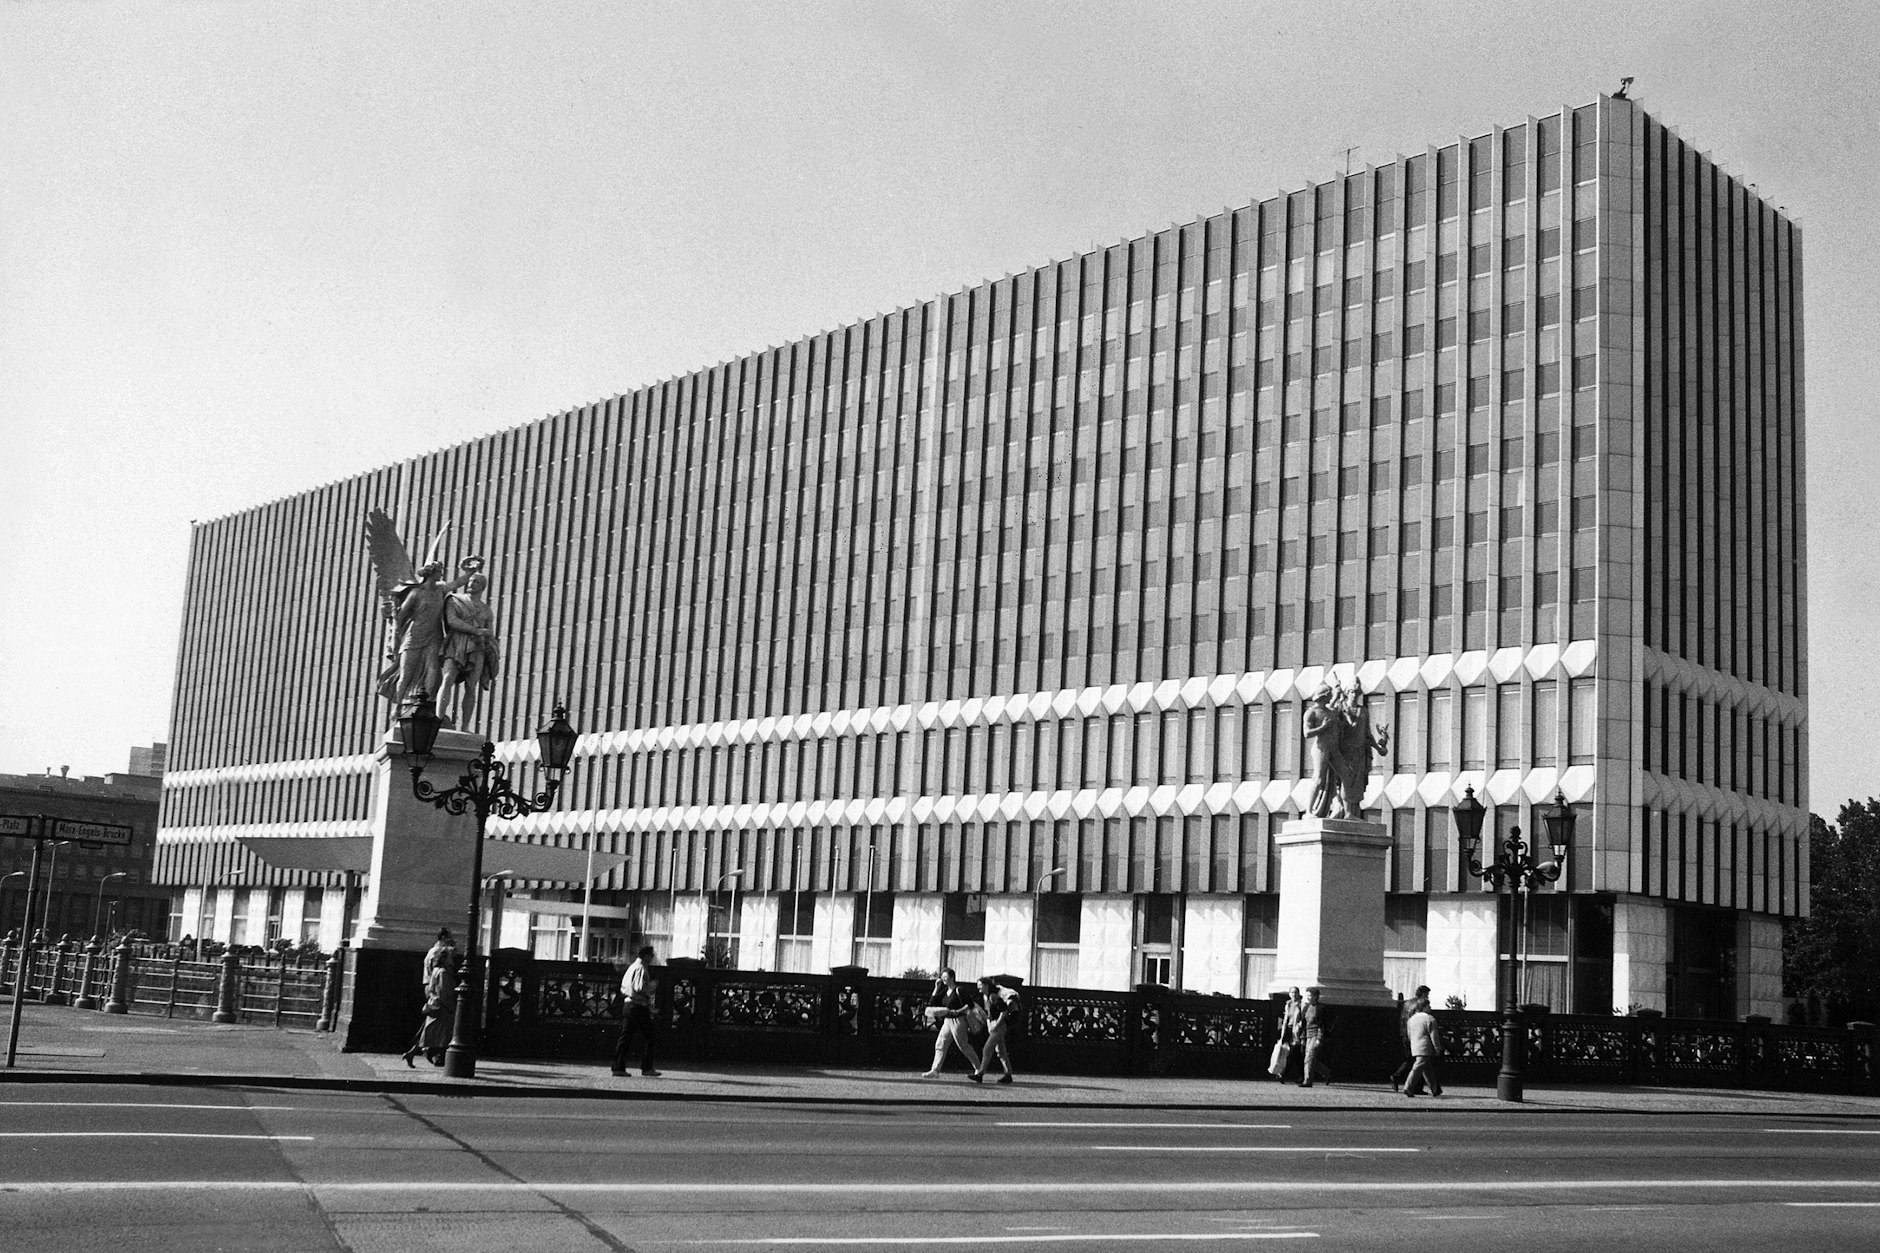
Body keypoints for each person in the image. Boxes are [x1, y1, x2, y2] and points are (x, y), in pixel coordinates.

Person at [438, 561, 500, 729]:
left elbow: (491, 633)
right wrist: (477, 630)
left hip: (476, 647)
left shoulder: (486, 610)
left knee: (471, 686)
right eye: (470, 580)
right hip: (456, 642)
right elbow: (452, 621)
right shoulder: (455, 599)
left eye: (476, 582)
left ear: (482, 587)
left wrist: (489, 643)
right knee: (448, 678)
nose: (471, 584)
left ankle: (465, 726)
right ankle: (438, 719)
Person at [921, 968, 982, 1078]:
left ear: (952, 978)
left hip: (958, 1020)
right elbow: (933, 1003)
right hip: (947, 1021)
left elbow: (970, 1005)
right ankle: (935, 1070)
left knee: (963, 1045)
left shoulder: (959, 990)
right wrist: (936, 988)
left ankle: (978, 1068)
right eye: (943, 977)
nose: (944, 980)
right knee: (940, 1044)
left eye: (946, 977)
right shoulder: (944, 991)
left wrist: (957, 1011)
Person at [611, 944, 661, 1077]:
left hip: (628, 1004)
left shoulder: (632, 967)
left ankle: (618, 1066)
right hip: (637, 1006)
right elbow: (639, 988)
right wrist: (651, 987)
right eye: (651, 955)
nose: (652, 958)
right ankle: (647, 1067)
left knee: (625, 1037)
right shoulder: (641, 969)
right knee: (650, 1036)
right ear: (646, 956)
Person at [403, 947, 457, 1067]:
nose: (452, 960)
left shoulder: (436, 970)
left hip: (433, 1004)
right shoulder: (443, 972)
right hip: (441, 1007)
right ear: (445, 959)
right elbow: (444, 991)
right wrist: (450, 1006)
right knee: (441, 1033)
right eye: (450, 957)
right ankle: (432, 1053)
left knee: (428, 1032)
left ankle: (413, 1053)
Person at [973, 977, 1021, 1084]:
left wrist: (996, 1024)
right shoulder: (986, 997)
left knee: (987, 1048)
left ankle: (980, 1074)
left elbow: (1003, 1011)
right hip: (994, 1025)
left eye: (980, 985)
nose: (978, 987)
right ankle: (1008, 1074)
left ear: (986, 985)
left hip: (999, 1026)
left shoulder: (993, 997)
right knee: (1001, 1051)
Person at [1391, 984, 1432, 1091]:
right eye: (1427, 994)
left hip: (1405, 1033)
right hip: (1415, 1034)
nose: (1428, 997)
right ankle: (1399, 1077)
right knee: (1417, 1060)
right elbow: (1422, 1019)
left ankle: (1407, 1082)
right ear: (1423, 994)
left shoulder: (1407, 1003)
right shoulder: (1421, 1003)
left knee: (1411, 1059)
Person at [1404, 996, 1445, 1097]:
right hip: (1425, 1046)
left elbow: (1409, 1034)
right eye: (1428, 1005)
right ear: (1424, 1007)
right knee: (1418, 1067)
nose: (1430, 1007)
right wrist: (1437, 1047)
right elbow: (1433, 1035)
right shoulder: (1430, 1019)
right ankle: (1408, 1087)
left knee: (1427, 1069)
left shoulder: (1411, 1019)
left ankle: (1435, 1089)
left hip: (1415, 1045)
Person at [1299, 987, 1332, 1087]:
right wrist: (1302, 1038)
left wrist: (1319, 1038)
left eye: (1310, 995)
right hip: (1308, 1036)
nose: (1308, 998)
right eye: (1307, 995)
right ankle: (1326, 1073)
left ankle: (1307, 1081)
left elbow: (1322, 1025)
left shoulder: (1321, 1008)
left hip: (1315, 1035)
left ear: (1316, 996)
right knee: (1310, 1058)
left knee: (1309, 1058)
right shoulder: (1305, 1008)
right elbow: (1303, 1024)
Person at [1272, 987, 1305, 1082]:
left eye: (1295, 992)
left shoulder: (1301, 1004)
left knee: (1292, 1053)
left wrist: (1298, 1029)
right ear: (1289, 994)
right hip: (1289, 1030)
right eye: (1292, 992)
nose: (1294, 994)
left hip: (1297, 1031)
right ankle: (1302, 1075)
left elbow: (1301, 1018)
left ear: (1298, 994)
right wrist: (1283, 1033)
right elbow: (1286, 1019)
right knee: (1296, 1055)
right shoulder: (1288, 1004)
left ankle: (1284, 1075)